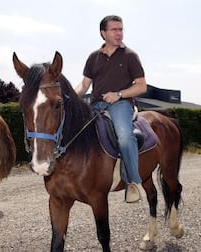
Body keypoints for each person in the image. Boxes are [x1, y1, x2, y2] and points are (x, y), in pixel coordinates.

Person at [75, 15, 147, 203]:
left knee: (124, 136)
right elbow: (84, 84)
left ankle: (133, 182)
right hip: (96, 105)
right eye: (114, 29)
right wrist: (71, 99)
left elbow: (141, 86)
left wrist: (119, 94)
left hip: (121, 105)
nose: (119, 33)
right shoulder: (93, 57)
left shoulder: (130, 56)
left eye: (121, 29)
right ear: (103, 33)